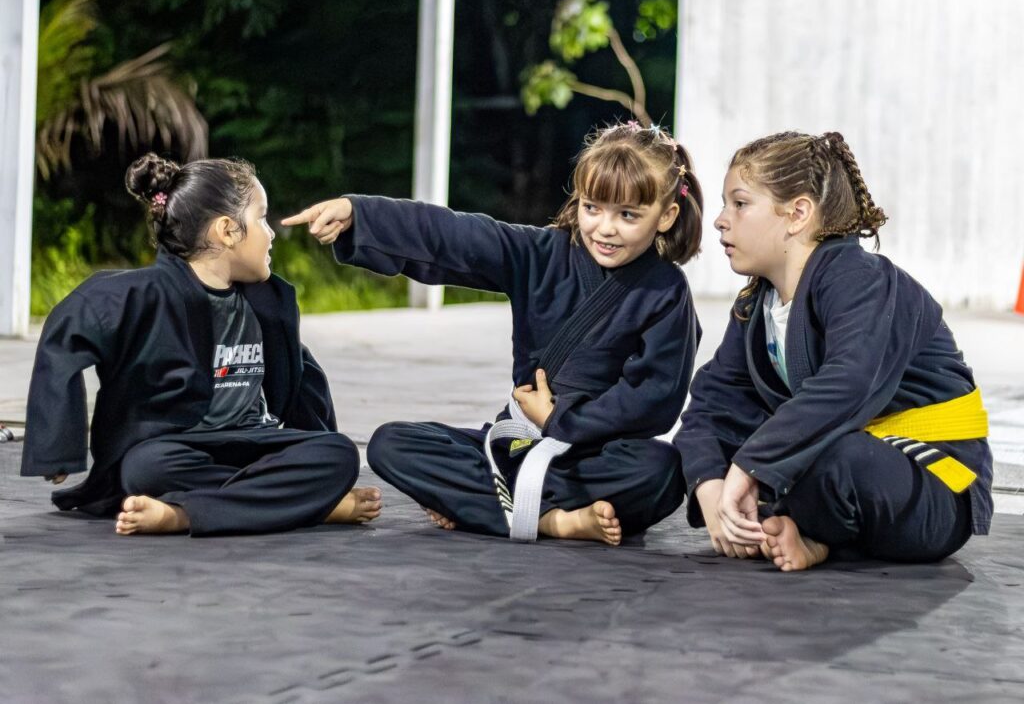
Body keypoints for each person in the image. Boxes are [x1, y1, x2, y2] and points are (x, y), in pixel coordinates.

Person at [283, 122, 703, 545]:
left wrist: (561, 421)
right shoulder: (541, 254)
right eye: (593, 207)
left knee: (662, 470)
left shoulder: (665, 291)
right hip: (516, 450)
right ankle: (552, 520)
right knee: (390, 444)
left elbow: (655, 397)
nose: (605, 228)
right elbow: (455, 234)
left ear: (666, 216)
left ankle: (485, 506)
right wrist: (361, 215)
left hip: (594, 458)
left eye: (628, 215)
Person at [676, 131, 993, 570]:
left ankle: (812, 531)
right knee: (736, 450)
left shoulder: (859, 278)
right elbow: (711, 404)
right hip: (838, 479)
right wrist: (710, 486)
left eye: (740, 203)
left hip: (930, 488)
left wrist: (748, 468)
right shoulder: (758, 303)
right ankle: (811, 533)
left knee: (832, 456)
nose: (721, 220)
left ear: (797, 213)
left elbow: (849, 382)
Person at [21, 153, 382, 536]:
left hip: (253, 442)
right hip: (180, 448)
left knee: (338, 454)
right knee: (144, 467)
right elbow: (66, 330)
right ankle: (301, 505)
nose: (271, 232)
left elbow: (301, 374)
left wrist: (319, 439)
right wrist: (56, 446)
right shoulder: (145, 295)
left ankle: (184, 513)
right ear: (227, 230)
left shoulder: (267, 302)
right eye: (261, 218)